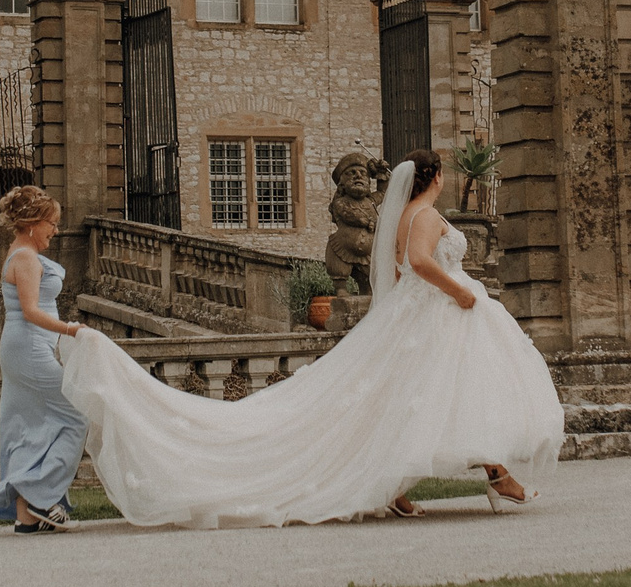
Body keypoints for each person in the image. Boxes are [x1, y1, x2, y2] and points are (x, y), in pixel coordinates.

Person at [57, 148, 563, 527]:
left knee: (412, 397)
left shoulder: (403, 216)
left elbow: (391, 262)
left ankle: (416, 484)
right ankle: (495, 476)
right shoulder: (427, 214)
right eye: (444, 173)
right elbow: (420, 262)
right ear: (434, 177)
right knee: (444, 393)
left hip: (417, 313)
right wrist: (460, 292)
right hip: (440, 310)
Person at [0, 185, 85, 535]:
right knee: (76, 416)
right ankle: (40, 498)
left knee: (32, 428)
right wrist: (70, 329)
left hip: (30, 347)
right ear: (31, 224)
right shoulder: (24, 257)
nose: (55, 230)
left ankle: (27, 516)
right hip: (29, 348)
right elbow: (31, 311)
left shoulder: (23, 252)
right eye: (51, 223)